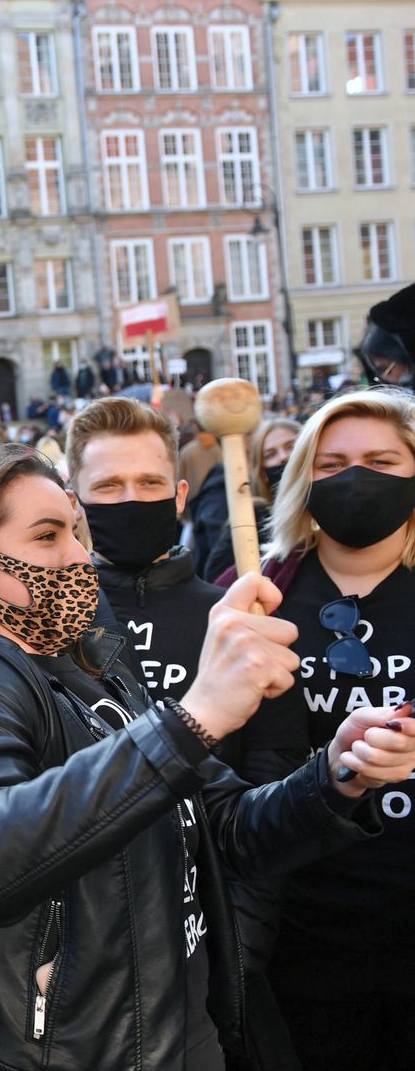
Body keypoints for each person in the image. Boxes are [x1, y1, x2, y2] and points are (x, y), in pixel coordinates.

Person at [0, 442, 415, 1071]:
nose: (79, 554)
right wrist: (194, 721)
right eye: (48, 535)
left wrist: (335, 774)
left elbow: (227, 827)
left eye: (75, 532)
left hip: (177, 1032)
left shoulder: (92, 669)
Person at [225, 389, 415, 1069]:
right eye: (332, 463)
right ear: (303, 480)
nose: (356, 478)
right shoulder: (254, 592)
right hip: (298, 930)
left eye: (381, 460)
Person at [66, 397, 222, 703]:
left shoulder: (229, 616)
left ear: (179, 497)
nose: (130, 500)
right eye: (108, 485)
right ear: (74, 504)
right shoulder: (52, 623)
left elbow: (275, 750)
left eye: (150, 483)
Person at [201, 418, 302, 583]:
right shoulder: (254, 515)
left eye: (291, 446)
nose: (284, 457)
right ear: (261, 471)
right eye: (271, 454)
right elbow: (217, 579)